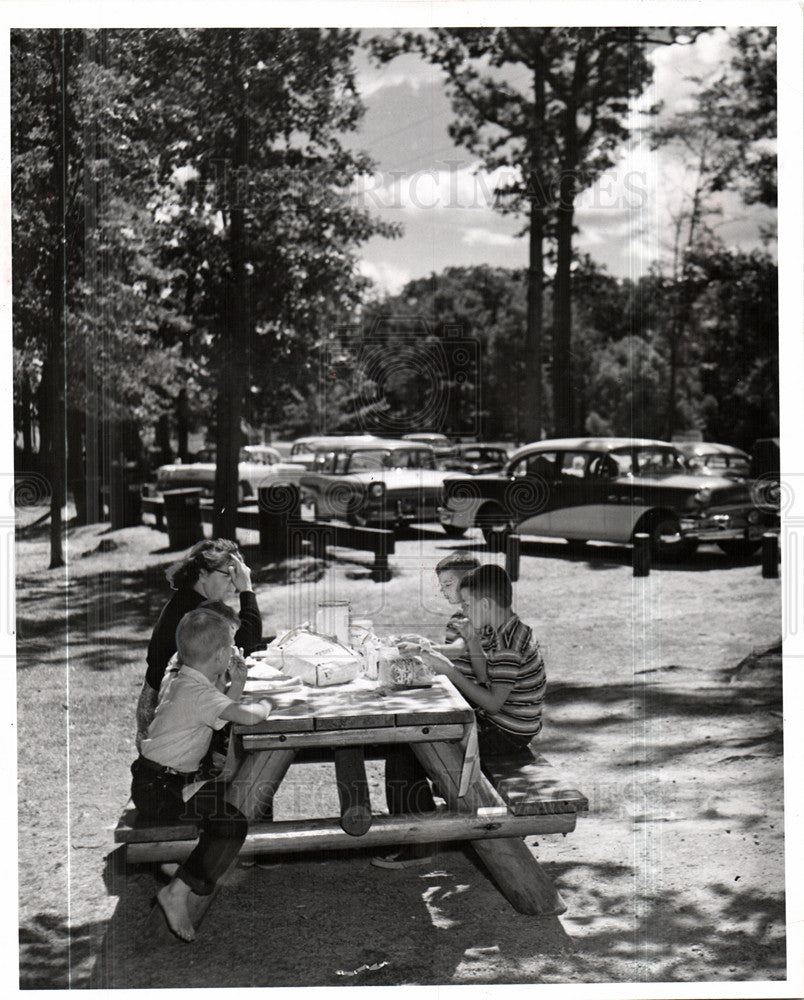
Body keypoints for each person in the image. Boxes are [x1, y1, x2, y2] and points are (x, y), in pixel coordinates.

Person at [131, 606, 274, 942]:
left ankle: (180, 865)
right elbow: (249, 717)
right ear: (223, 654)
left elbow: (219, 715)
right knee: (231, 825)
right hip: (163, 790)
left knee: (227, 800)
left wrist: (236, 685)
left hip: (156, 782)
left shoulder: (183, 681)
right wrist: (267, 705)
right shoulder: (200, 693)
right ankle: (178, 890)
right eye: (233, 650)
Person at [372, 552, 486, 870]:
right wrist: (424, 646)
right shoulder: (463, 617)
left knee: (405, 748)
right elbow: (457, 654)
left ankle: (418, 842)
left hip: (476, 715)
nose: (443, 591)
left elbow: (466, 656)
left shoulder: (480, 616)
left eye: (449, 583)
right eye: (442, 584)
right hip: (465, 705)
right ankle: (414, 826)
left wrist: (427, 649)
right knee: (405, 742)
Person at [135, 538, 263, 752]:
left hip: (164, 711)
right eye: (229, 575)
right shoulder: (199, 614)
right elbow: (248, 641)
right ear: (203, 573)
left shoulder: (187, 600)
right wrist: (247, 590)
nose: (234, 583)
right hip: (171, 725)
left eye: (238, 576)